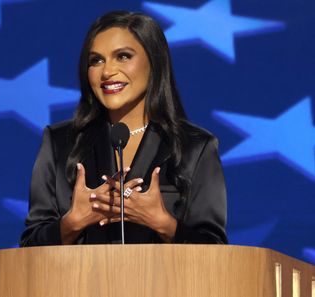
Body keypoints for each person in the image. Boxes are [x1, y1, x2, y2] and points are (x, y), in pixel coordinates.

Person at [20, 11, 227, 246]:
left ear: (154, 62)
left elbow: (215, 250)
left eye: (123, 56)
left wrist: (162, 222)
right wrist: (72, 223)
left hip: (165, 283)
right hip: (77, 283)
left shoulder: (195, 147)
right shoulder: (59, 143)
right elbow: (29, 248)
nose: (107, 72)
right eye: (96, 60)